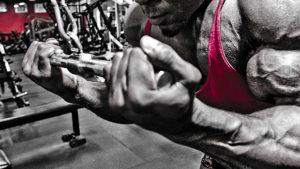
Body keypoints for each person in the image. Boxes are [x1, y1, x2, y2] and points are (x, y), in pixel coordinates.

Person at [22, 0, 300, 168]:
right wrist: (75, 88)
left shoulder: (267, 13)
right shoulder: (140, 22)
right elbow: (138, 107)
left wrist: (193, 124)